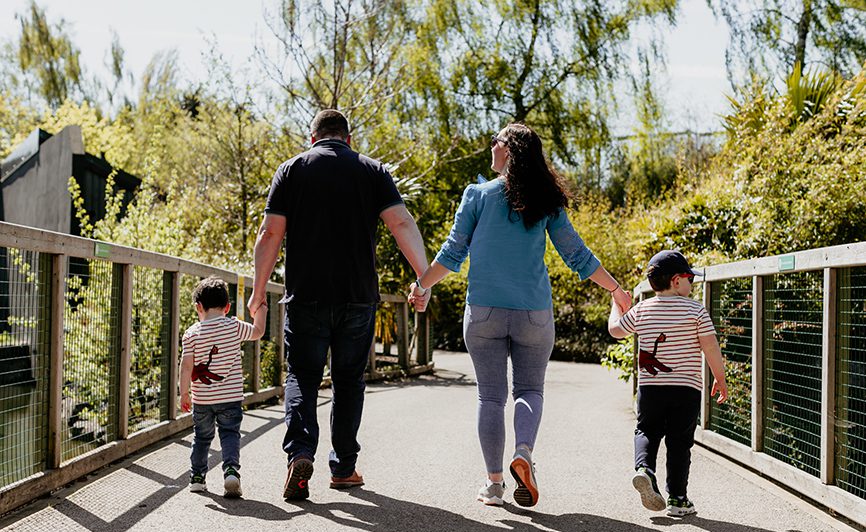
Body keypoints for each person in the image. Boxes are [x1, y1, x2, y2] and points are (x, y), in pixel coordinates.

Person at [407, 122, 632, 508]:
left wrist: (422, 285)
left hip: (483, 313)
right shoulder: (547, 200)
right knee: (529, 391)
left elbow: (452, 253)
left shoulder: (477, 195)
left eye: (494, 142)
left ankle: (494, 484)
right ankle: (523, 453)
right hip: (533, 313)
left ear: (507, 150)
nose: (490, 148)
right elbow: (576, 253)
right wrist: (615, 289)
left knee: (491, 397)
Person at [247, 109, 428, 501]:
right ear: (348, 138)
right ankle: (344, 468)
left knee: (302, 376)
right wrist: (423, 278)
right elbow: (401, 224)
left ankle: (299, 453)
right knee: (348, 382)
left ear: (311, 138)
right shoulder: (372, 170)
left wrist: (258, 292)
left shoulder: (292, 170)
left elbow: (270, 233)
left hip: (306, 295)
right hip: (357, 297)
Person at [607, 249, 728, 516]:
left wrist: (616, 306)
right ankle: (678, 499)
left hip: (651, 388)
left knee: (646, 430)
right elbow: (710, 347)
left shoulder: (642, 308)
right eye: (689, 279)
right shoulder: (696, 310)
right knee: (679, 442)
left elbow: (615, 331)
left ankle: (644, 470)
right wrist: (720, 378)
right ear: (676, 281)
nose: (691, 284)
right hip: (686, 389)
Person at [180, 276, 267, 498]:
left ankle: (197, 478)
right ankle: (231, 471)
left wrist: (183, 393)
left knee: (201, 437)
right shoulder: (234, 326)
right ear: (228, 307)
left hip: (202, 400)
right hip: (230, 398)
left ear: (198, 307)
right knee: (229, 433)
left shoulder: (191, 334)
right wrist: (262, 308)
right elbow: (258, 332)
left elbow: (186, 366)